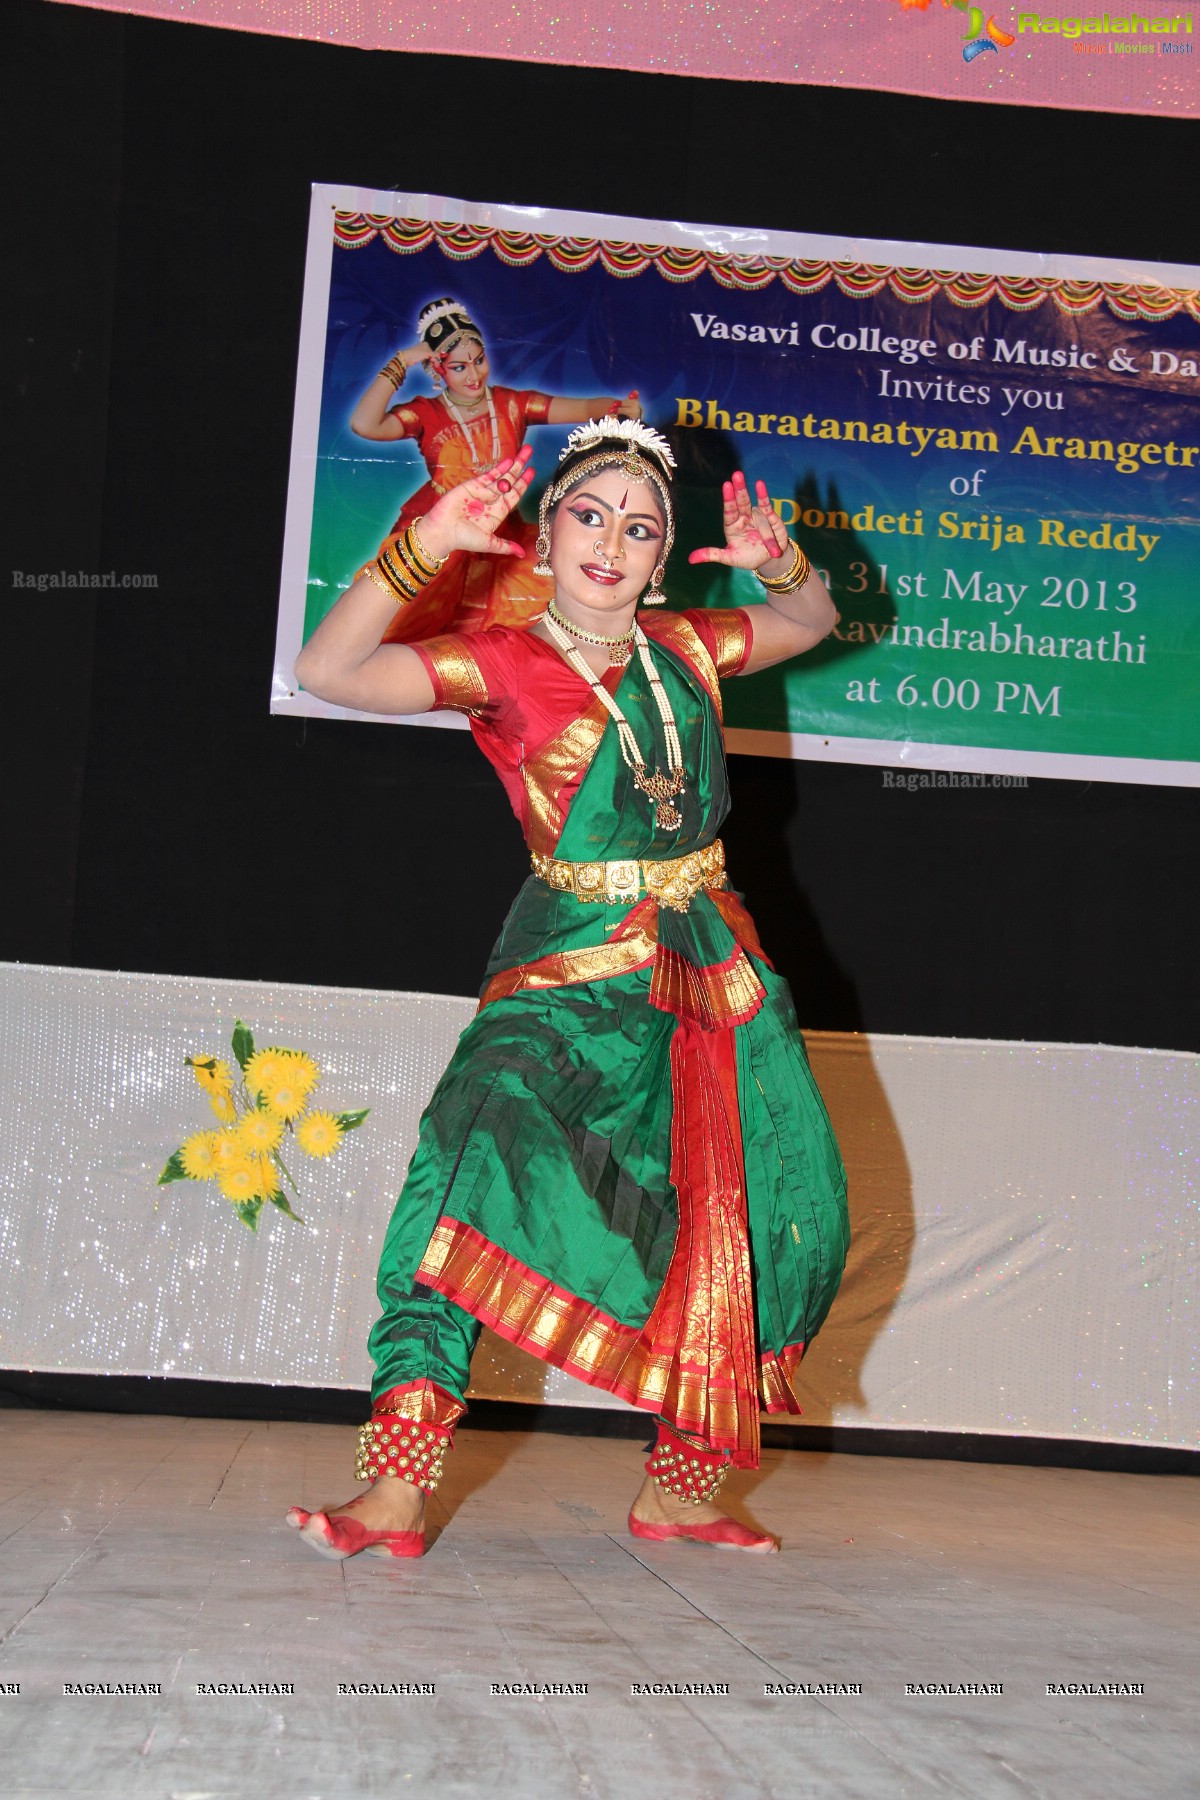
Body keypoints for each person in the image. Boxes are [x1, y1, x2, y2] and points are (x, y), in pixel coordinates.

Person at [287, 418, 849, 1560]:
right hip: (563, 970)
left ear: (660, 555)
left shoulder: (689, 650)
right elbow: (326, 670)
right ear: (543, 534)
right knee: (465, 1159)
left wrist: (781, 562)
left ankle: (684, 1488)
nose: (613, 542)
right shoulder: (499, 661)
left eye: (641, 528)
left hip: (707, 972)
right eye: (589, 515)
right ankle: (398, 1483)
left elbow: (810, 619)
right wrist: (426, 547)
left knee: (756, 1214)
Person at [348, 297, 641, 643]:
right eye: (459, 367)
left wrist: (616, 407)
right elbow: (364, 424)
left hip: (500, 530)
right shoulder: (425, 413)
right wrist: (401, 361)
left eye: (478, 361)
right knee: (402, 621)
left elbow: (580, 407)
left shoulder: (510, 404)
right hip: (439, 531)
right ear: (437, 369)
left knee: (549, 607)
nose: (473, 375)